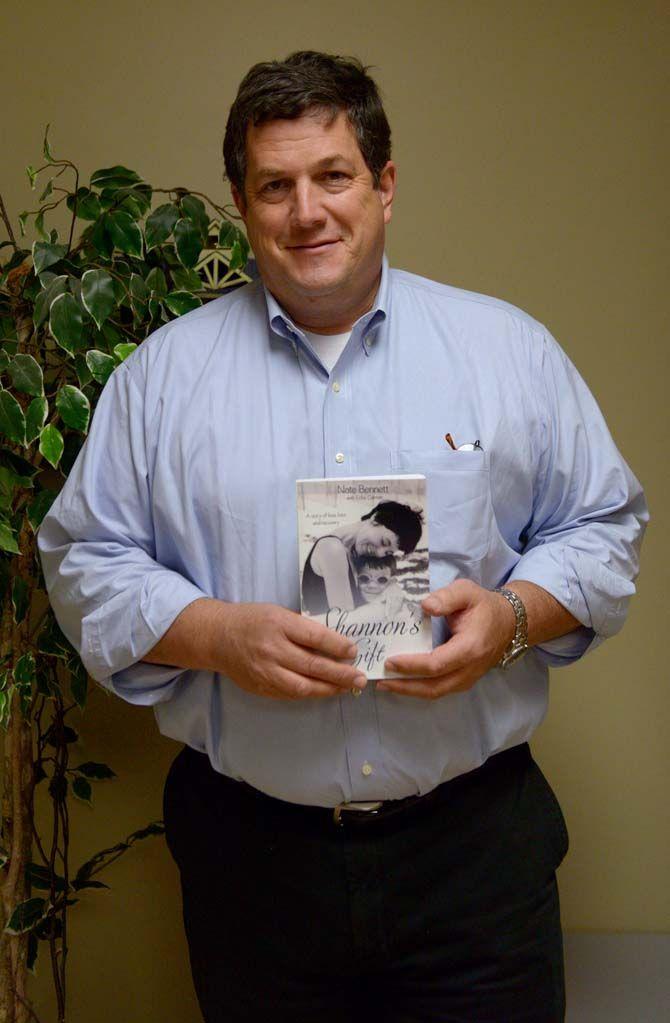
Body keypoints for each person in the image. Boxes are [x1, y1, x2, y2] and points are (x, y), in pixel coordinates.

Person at [38, 51, 647, 1023]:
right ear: (241, 203)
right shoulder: (162, 381)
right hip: (254, 868)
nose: (306, 211)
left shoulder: (507, 353)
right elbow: (82, 557)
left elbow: (604, 527)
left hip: (474, 857)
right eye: (274, 185)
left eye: (332, 176)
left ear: (384, 185)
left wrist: (516, 615)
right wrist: (215, 636)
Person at [301, 500, 422, 614]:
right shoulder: (332, 548)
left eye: (387, 553)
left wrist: (391, 588)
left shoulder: (356, 553)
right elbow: (344, 621)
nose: (379, 554)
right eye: (384, 542)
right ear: (375, 519)